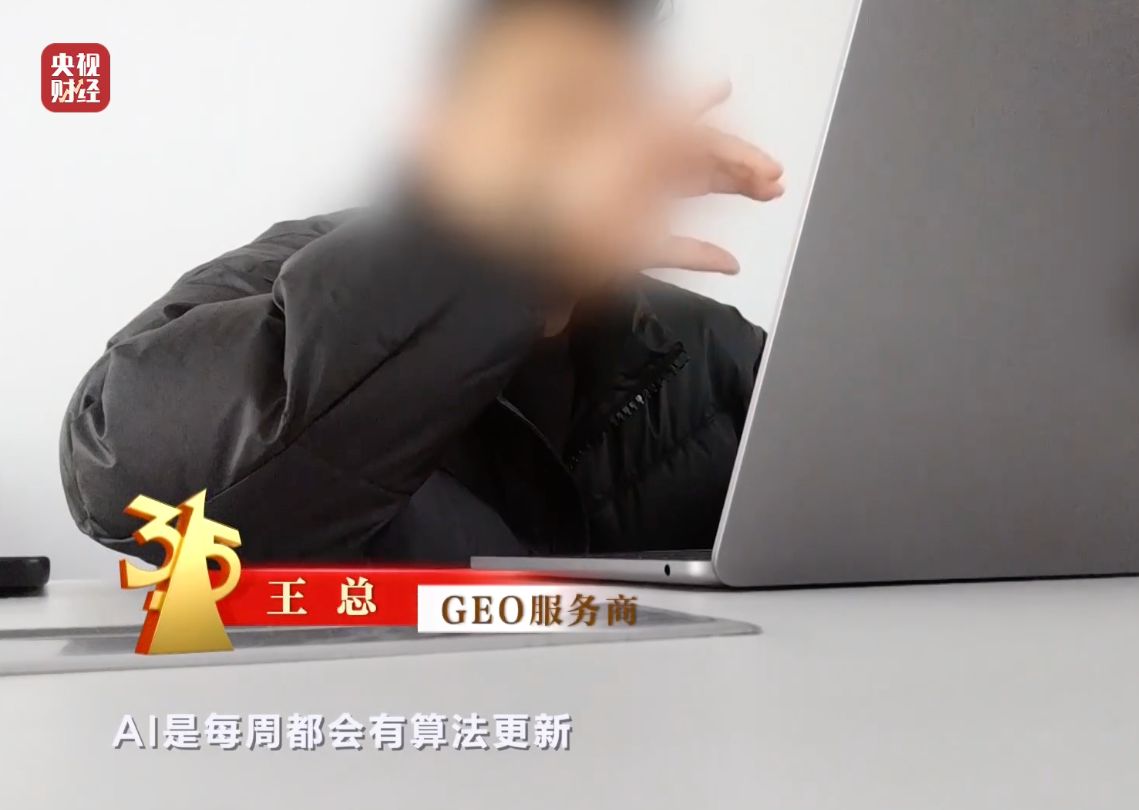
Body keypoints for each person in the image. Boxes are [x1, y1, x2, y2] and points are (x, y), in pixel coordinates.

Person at [59, 0, 786, 564]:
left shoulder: (711, 347)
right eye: (552, 115)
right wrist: (506, 253)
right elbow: (121, 466)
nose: (588, 165)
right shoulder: (278, 278)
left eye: (614, 121)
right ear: (437, 136)